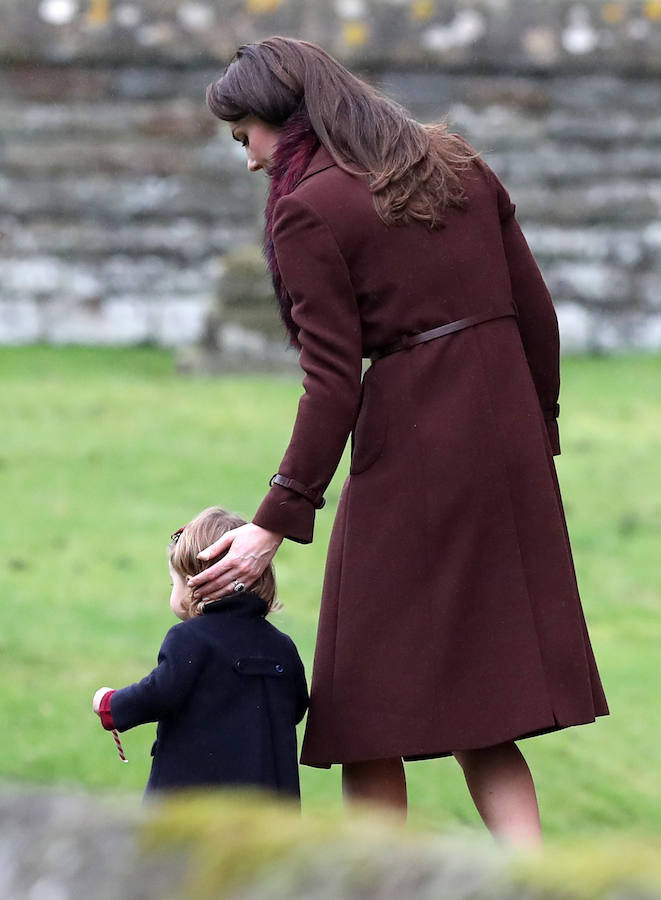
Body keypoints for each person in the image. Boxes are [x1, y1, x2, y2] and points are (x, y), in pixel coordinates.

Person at [190, 37, 609, 846]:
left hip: (413, 442)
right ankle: (539, 882)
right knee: (479, 697)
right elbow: (536, 310)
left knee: (362, 703)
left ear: (286, 118)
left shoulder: (307, 205)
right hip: (507, 435)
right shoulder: (455, 161)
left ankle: (375, 883)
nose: (249, 161)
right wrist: (536, 430)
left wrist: (272, 523)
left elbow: (330, 382)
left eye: (247, 137)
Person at [92, 506, 309, 800]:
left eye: (174, 583)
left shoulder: (188, 639)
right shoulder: (281, 645)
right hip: (268, 807)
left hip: (194, 803)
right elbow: (296, 707)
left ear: (197, 583)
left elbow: (160, 692)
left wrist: (110, 704)